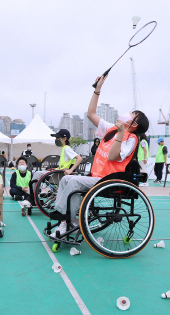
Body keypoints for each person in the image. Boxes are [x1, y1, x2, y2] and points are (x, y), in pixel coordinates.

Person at [48, 73, 148, 240]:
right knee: (66, 180)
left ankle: (67, 221)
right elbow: (91, 114)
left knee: (72, 181)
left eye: (132, 114)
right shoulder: (112, 130)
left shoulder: (131, 139)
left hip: (109, 181)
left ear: (135, 124)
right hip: (97, 178)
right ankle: (65, 218)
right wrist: (97, 90)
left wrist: (121, 133)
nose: (128, 114)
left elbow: (112, 156)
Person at [30, 129, 83, 202]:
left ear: (65, 139)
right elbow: (63, 165)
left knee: (37, 173)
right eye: (56, 138)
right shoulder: (64, 149)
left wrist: (70, 170)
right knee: (36, 174)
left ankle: (33, 198)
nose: (56, 140)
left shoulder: (67, 148)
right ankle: (34, 196)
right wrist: (55, 169)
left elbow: (79, 158)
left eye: (58, 138)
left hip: (60, 175)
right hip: (58, 173)